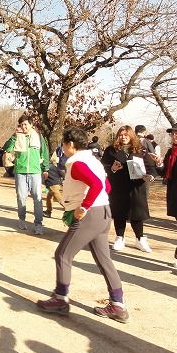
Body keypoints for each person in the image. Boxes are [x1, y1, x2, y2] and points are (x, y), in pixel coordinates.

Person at [37, 127, 129, 323]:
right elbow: (106, 186)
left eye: (63, 143)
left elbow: (96, 184)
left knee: (63, 254)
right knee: (104, 260)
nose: (62, 147)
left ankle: (60, 298)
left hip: (91, 214)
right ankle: (118, 305)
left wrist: (84, 207)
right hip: (104, 212)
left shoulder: (78, 163)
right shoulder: (93, 160)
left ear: (70, 145)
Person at [101, 126, 156, 253]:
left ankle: (140, 239)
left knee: (137, 213)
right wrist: (112, 168)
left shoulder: (141, 150)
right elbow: (103, 166)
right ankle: (120, 238)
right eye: (121, 135)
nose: (123, 137)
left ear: (131, 135)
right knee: (119, 213)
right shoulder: (111, 150)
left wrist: (150, 176)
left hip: (136, 187)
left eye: (126, 134)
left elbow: (150, 166)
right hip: (118, 186)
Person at [151, 122, 177, 278]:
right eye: (172, 133)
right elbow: (165, 173)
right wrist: (159, 163)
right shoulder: (172, 152)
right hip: (176, 196)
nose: (174, 135)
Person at [3, 114, 49, 234]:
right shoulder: (17, 137)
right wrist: (14, 136)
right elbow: (6, 147)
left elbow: (44, 153)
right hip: (20, 171)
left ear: (31, 124)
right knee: (21, 197)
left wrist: (45, 169)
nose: (23, 127)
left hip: (35, 171)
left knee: (37, 198)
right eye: (21, 124)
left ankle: (38, 224)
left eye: (25, 124)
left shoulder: (38, 136)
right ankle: (22, 220)